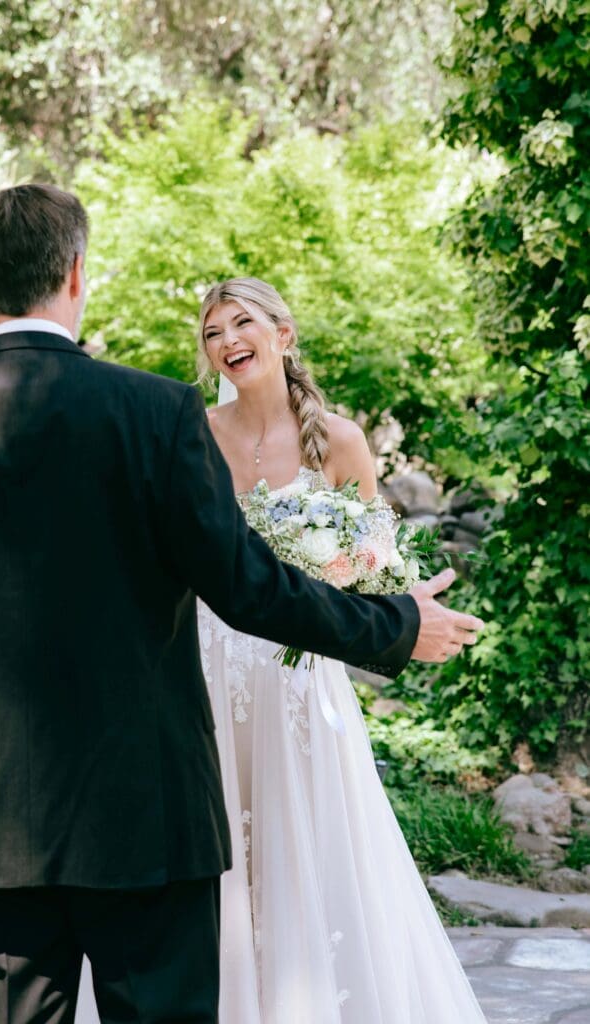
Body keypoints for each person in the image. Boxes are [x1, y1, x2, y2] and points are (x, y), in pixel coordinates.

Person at [0, 186, 482, 1024]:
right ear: (75, 274)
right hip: (143, 809)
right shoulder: (155, 411)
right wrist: (396, 626)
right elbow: (248, 585)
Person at [196, 276, 488, 1023]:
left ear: (282, 335)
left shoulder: (342, 438)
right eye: (211, 333)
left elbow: (375, 568)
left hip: (300, 678)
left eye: (241, 323)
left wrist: (381, 595)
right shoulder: (194, 433)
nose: (227, 340)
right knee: (221, 837)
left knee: (311, 837)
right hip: (210, 666)